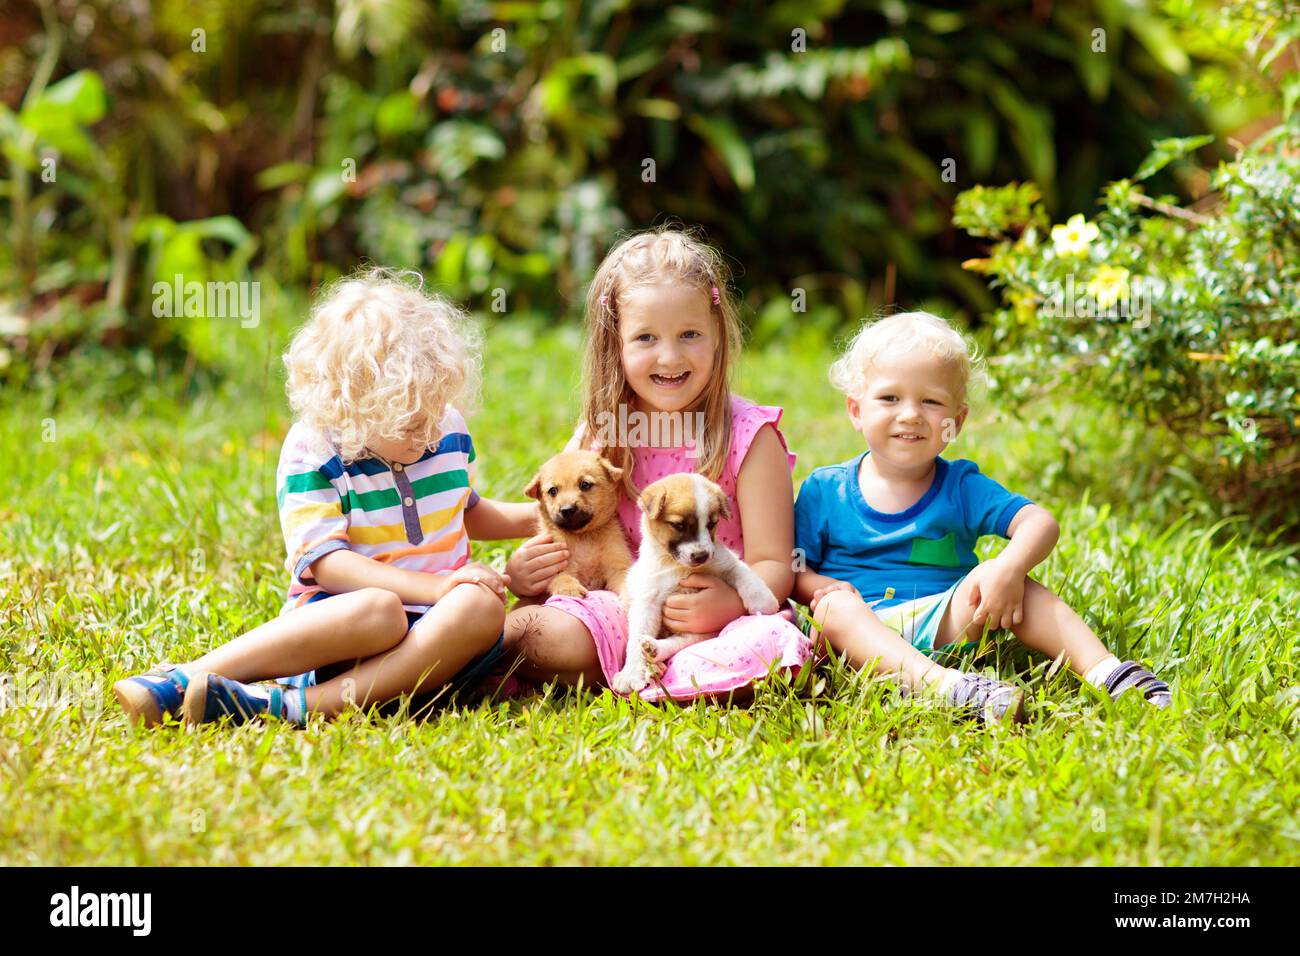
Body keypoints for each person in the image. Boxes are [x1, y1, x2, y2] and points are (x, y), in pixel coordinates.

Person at [113, 268, 534, 727]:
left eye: (436, 413)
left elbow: (466, 510)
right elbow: (327, 563)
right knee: (381, 610)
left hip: (439, 639)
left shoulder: (445, 429)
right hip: (346, 631)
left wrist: (545, 517)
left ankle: (287, 709)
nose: (431, 432)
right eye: (413, 424)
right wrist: (434, 586)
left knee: (481, 603)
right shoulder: (314, 450)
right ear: (354, 407)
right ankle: (183, 679)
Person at [792, 311, 1172, 723]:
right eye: (889, 398)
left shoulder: (961, 486)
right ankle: (947, 688)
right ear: (855, 410)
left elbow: (1039, 522)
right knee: (833, 610)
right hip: (861, 638)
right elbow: (793, 570)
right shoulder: (825, 489)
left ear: (957, 421)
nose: (910, 414)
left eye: (931, 401)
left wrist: (1008, 567)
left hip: (945, 621)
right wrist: (829, 589)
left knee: (1015, 586)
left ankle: (1107, 672)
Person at [502, 227, 812, 701]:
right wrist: (530, 570)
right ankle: (641, 669)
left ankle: (653, 671)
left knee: (767, 645)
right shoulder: (603, 433)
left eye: (690, 334)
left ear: (717, 335)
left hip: (717, 620)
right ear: (616, 342)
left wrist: (728, 603)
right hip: (624, 606)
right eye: (645, 337)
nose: (670, 356)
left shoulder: (750, 436)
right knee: (533, 630)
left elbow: (774, 563)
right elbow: (558, 518)